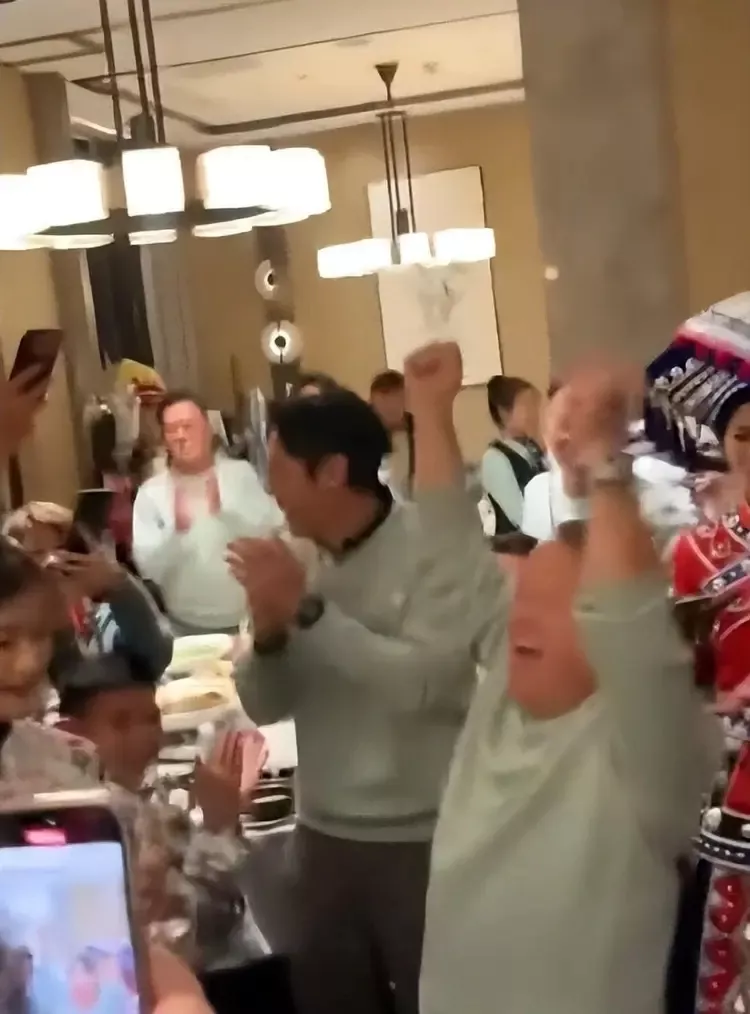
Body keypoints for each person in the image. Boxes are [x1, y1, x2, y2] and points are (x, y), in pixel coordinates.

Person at [403, 342, 716, 1014]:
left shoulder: (648, 754)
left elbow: (632, 621)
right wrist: (428, 412)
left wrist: (606, 467)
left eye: (557, 606)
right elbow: (449, 559)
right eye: (525, 598)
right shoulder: (503, 694)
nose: (523, 618)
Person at [226, 387, 493, 1014]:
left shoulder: (432, 547)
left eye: (280, 471)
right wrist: (269, 636)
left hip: (423, 837)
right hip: (320, 835)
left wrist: (307, 611)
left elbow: (424, 685)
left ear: (331, 471)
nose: (270, 490)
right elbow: (264, 706)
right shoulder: (291, 555)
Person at [56, 649, 267, 971]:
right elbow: (206, 925)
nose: (145, 736)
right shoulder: (97, 821)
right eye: (121, 723)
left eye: (152, 719)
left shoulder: (136, 799)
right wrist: (219, 826)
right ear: (71, 734)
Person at [132, 391, 283, 635]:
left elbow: (272, 530)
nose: (181, 436)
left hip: (247, 622)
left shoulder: (240, 474)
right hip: (184, 625)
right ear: (164, 439)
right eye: (172, 429)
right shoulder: (151, 493)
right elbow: (148, 569)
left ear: (208, 429)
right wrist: (178, 533)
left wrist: (227, 515)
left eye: (188, 426)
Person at [2, 502, 172, 689]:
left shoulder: (104, 612)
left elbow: (155, 657)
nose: (54, 559)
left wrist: (119, 585)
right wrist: (55, 617)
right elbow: (69, 682)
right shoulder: (20, 634)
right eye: (37, 553)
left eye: (63, 549)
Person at [481, 374, 545, 534]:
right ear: (504, 413)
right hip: (518, 544)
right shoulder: (495, 459)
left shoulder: (535, 451)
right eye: (528, 406)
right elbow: (522, 519)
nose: (536, 413)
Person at [369, 369, 415, 499]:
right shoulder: (365, 433)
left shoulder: (422, 431)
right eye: (382, 407)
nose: (387, 413)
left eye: (393, 406)